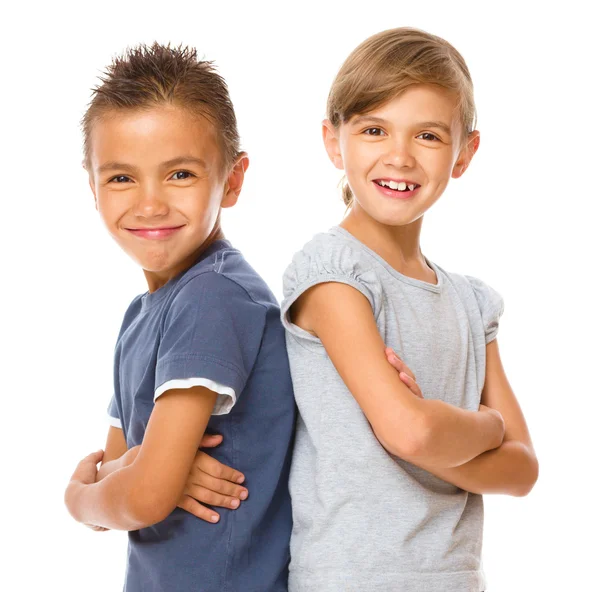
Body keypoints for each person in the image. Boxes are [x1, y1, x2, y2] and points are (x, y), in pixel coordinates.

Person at [280, 27, 539, 592]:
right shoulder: (332, 273)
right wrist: (487, 427)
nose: (399, 156)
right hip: (349, 579)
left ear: (464, 153)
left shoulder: (472, 303)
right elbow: (412, 433)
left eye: (427, 135)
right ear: (333, 141)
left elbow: (523, 471)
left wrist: (432, 432)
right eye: (374, 130)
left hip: (453, 579)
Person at [64, 43, 296, 592]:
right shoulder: (141, 315)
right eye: (122, 178)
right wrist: (144, 469)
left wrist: (78, 498)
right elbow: (122, 474)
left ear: (233, 180)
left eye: (180, 175)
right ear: (91, 184)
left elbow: (138, 496)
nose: (149, 204)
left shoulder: (213, 296)